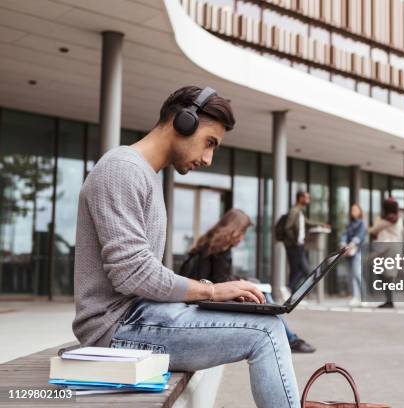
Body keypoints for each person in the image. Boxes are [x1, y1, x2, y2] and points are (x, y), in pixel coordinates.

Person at [72, 86, 300, 407]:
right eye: (210, 143)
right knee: (265, 332)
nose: (208, 158)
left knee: (265, 318)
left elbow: (143, 273)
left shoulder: (147, 175)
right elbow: (131, 274)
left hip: (139, 316)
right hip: (115, 329)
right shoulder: (121, 170)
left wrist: (212, 292)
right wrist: (213, 292)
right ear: (183, 122)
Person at [180, 208, 316, 353]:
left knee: (261, 293)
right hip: (207, 301)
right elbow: (220, 282)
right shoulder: (220, 248)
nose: (242, 237)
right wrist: (243, 284)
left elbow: (219, 277)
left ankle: (291, 340)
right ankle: (292, 340)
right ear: (234, 230)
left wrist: (241, 280)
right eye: (242, 232)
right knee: (263, 298)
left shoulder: (210, 243)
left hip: (202, 297)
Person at [283, 191, 329, 292]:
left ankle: (291, 293)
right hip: (294, 245)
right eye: (307, 198)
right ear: (300, 198)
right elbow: (287, 228)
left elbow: (308, 222)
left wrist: (321, 224)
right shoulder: (294, 211)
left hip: (298, 245)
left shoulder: (299, 212)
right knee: (302, 270)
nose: (309, 200)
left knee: (297, 270)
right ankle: (289, 288)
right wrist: (295, 241)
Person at [368, 197, 404, 309]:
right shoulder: (397, 219)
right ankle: (389, 300)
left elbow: (374, 230)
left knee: (386, 273)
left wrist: (372, 228)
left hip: (388, 248)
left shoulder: (389, 219)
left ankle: (389, 301)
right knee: (386, 273)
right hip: (392, 247)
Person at [340, 204, 367, 307]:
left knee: (357, 274)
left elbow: (359, 237)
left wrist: (351, 244)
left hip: (357, 252)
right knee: (351, 275)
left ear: (360, 212)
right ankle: (355, 297)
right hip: (349, 253)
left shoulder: (361, 224)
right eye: (352, 210)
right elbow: (344, 235)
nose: (353, 212)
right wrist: (343, 244)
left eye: (355, 210)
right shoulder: (349, 225)